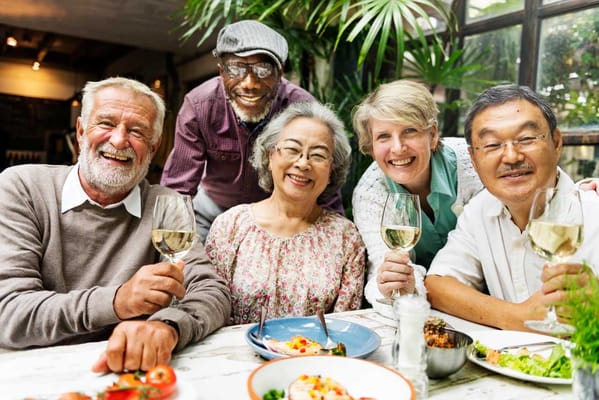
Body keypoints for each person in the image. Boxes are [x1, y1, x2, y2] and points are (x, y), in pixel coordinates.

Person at [0, 77, 231, 373]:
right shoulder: (23, 187)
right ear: (82, 132)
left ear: (153, 148)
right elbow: (8, 312)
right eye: (106, 124)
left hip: (127, 371)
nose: (120, 140)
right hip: (33, 372)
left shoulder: (166, 204)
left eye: (137, 131)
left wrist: (169, 325)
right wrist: (117, 301)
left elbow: (211, 290)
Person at [425, 84, 599, 331]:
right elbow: (438, 284)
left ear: (556, 143)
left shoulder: (592, 212)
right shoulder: (479, 210)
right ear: (474, 159)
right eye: (492, 145)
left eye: (526, 139)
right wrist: (517, 318)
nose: (511, 157)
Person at [160, 20, 343, 242]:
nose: (249, 83)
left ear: (280, 72)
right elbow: (179, 187)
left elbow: (322, 179)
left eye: (262, 70)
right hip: (211, 211)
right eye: (235, 69)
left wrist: (335, 239)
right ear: (221, 71)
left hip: (277, 216)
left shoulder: (301, 107)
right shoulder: (199, 105)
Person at [204, 101, 366, 324]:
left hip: (314, 356)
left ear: (331, 170)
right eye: (292, 149)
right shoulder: (230, 225)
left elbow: (345, 325)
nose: (302, 163)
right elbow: (209, 307)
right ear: (271, 156)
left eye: (318, 155)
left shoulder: (345, 237)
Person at [351, 80, 482, 310]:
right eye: (383, 136)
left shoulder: (472, 164)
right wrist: (393, 281)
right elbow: (381, 269)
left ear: (432, 136)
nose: (398, 147)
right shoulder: (370, 193)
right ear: (371, 147)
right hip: (420, 308)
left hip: (486, 298)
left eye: (409, 131)